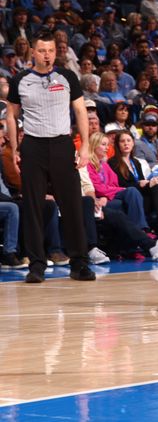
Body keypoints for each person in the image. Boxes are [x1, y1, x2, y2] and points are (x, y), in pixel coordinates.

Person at [6, 30, 96, 283]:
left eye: (51, 50)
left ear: (57, 52)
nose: (47, 55)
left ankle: (79, 263)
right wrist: (14, 148)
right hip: (33, 146)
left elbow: (80, 111)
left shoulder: (67, 76)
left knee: (72, 206)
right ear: (33, 52)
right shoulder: (21, 79)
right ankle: (36, 265)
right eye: (42, 50)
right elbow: (11, 115)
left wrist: (85, 145)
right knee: (33, 207)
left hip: (61, 144)